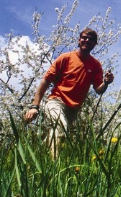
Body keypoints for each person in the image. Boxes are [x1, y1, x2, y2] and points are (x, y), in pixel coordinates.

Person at [24, 28, 114, 158]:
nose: (87, 40)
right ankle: (54, 168)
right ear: (79, 40)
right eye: (84, 37)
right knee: (61, 128)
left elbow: (98, 90)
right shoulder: (65, 58)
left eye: (91, 39)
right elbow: (45, 81)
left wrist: (106, 83)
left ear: (94, 44)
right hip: (56, 101)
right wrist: (34, 106)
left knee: (57, 135)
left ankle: (37, 157)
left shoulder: (95, 65)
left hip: (73, 110)